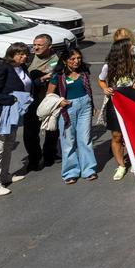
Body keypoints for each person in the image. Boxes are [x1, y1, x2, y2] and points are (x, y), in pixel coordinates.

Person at [0, 44, 34, 196]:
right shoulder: (1, 70)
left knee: (8, 145)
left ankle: (4, 175)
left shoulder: (22, 68)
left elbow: (25, 86)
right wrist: (13, 98)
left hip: (13, 113)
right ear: (11, 55)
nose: (24, 57)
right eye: (20, 54)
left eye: (25, 54)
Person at [96, 38, 135, 181]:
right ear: (123, 50)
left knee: (133, 133)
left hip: (133, 103)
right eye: (130, 47)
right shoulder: (108, 66)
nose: (133, 49)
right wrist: (105, 88)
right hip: (115, 104)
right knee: (117, 135)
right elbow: (101, 80)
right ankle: (121, 165)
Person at [47, 48, 97, 184]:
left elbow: (88, 89)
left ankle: (89, 169)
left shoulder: (84, 71)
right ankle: (70, 171)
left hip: (85, 105)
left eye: (79, 58)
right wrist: (59, 102)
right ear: (64, 61)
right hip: (67, 108)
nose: (77, 61)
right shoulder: (57, 75)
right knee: (68, 140)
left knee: (85, 139)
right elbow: (49, 95)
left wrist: (92, 105)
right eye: (73, 59)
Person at [24, 33, 60, 171]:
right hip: (31, 101)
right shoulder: (28, 59)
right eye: (34, 45)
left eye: (39, 45)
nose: (35, 48)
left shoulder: (57, 60)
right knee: (30, 133)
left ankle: (49, 155)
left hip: (49, 100)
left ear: (49, 46)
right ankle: (34, 159)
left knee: (52, 129)